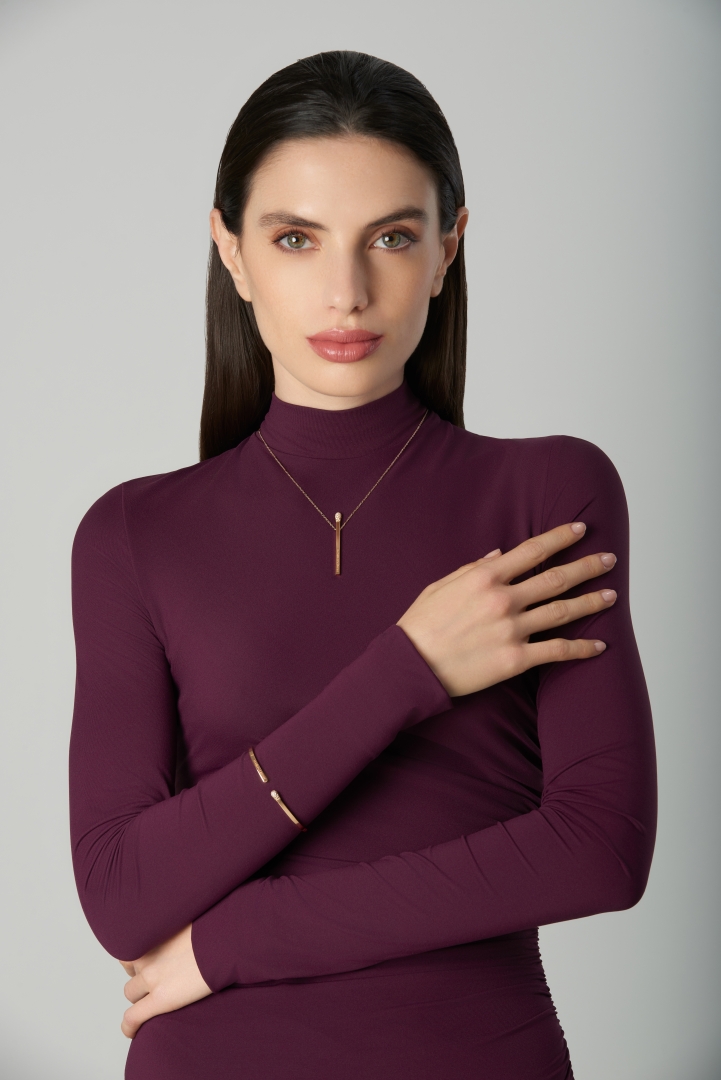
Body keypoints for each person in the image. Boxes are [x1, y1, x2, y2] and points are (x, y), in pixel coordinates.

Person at [69, 50, 657, 1080]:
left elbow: (599, 849)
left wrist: (234, 941)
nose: (346, 292)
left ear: (447, 249)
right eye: (295, 238)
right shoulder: (134, 533)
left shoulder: (546, 496)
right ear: (231, 252)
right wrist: (407, 669)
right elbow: (123, 894)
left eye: (391, 237)